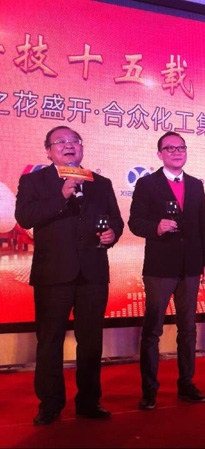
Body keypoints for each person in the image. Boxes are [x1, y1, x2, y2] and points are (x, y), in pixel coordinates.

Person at [14, 125, 124, 426]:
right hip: (53, 274)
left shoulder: (100, 183)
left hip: (93, 273)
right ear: (48, 151)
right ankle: (50, 403)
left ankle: (88, 401)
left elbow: (115, 220)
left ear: (82, 147)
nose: (68, 145)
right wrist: (61, 196)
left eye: (74, 141)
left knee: (90, 341)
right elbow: (25, 217)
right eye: (60, 142)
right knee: (50, 340)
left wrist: (112, 234)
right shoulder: (34, 181)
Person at [128, 131, 205, 410]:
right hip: (160, 268)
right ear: (160, 154)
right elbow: (134, 222)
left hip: (190, 268)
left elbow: (203, 226)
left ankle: (186, 384)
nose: (177, 152)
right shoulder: (147, 184)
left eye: (181, 148)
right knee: (153, 330)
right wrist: (156, 227)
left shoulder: (195, 184)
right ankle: (149, 390)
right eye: (170, 148)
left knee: (188, 329)